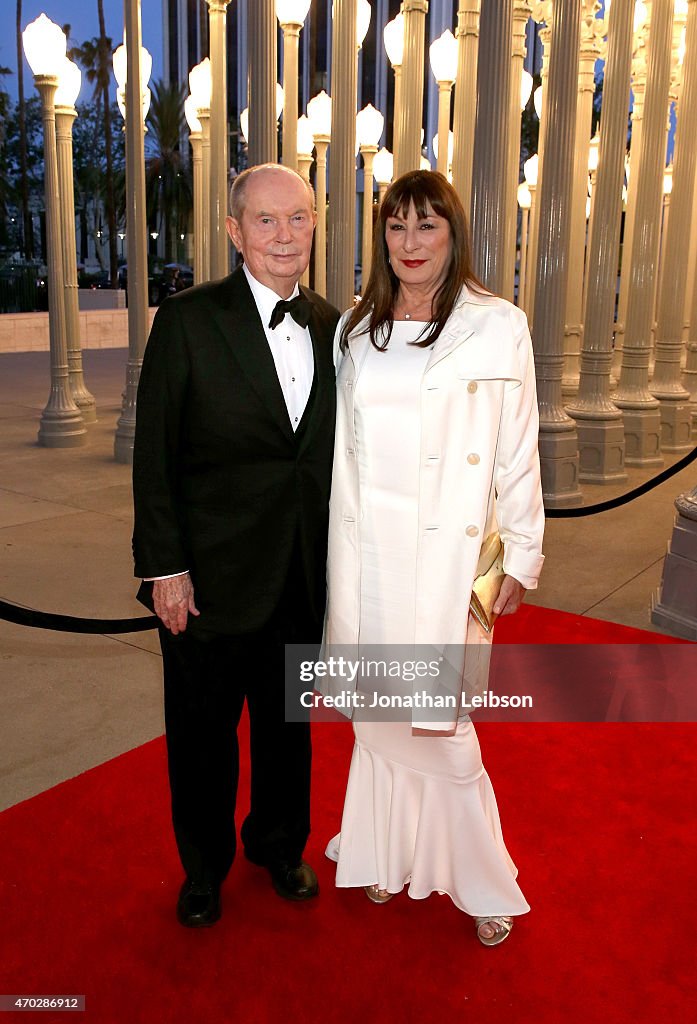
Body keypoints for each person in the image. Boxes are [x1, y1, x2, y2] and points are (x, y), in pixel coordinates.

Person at [323, 170, 545, 946]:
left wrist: (521, 550)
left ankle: (481, 877)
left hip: (450, 558)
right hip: (367, 556)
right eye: (395, 227)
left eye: (426, 226)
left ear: (452, 234)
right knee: (379, 719)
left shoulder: (497, 324)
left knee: (443, 728)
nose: (409, 243)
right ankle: (384, 851)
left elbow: (518, 450)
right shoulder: (354, 328)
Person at [132, 163, 340, 927]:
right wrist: (165, 570)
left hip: (300, 576)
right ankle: (203, 869)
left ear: (314, 225)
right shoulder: (188, 320)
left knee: (288, 730)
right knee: (201, 737)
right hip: (209, 580)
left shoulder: (335, 325)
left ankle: (280, 846)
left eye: (298, 218)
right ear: (232, 230)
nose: (285, 235)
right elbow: (154, 458)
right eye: (265, 220)